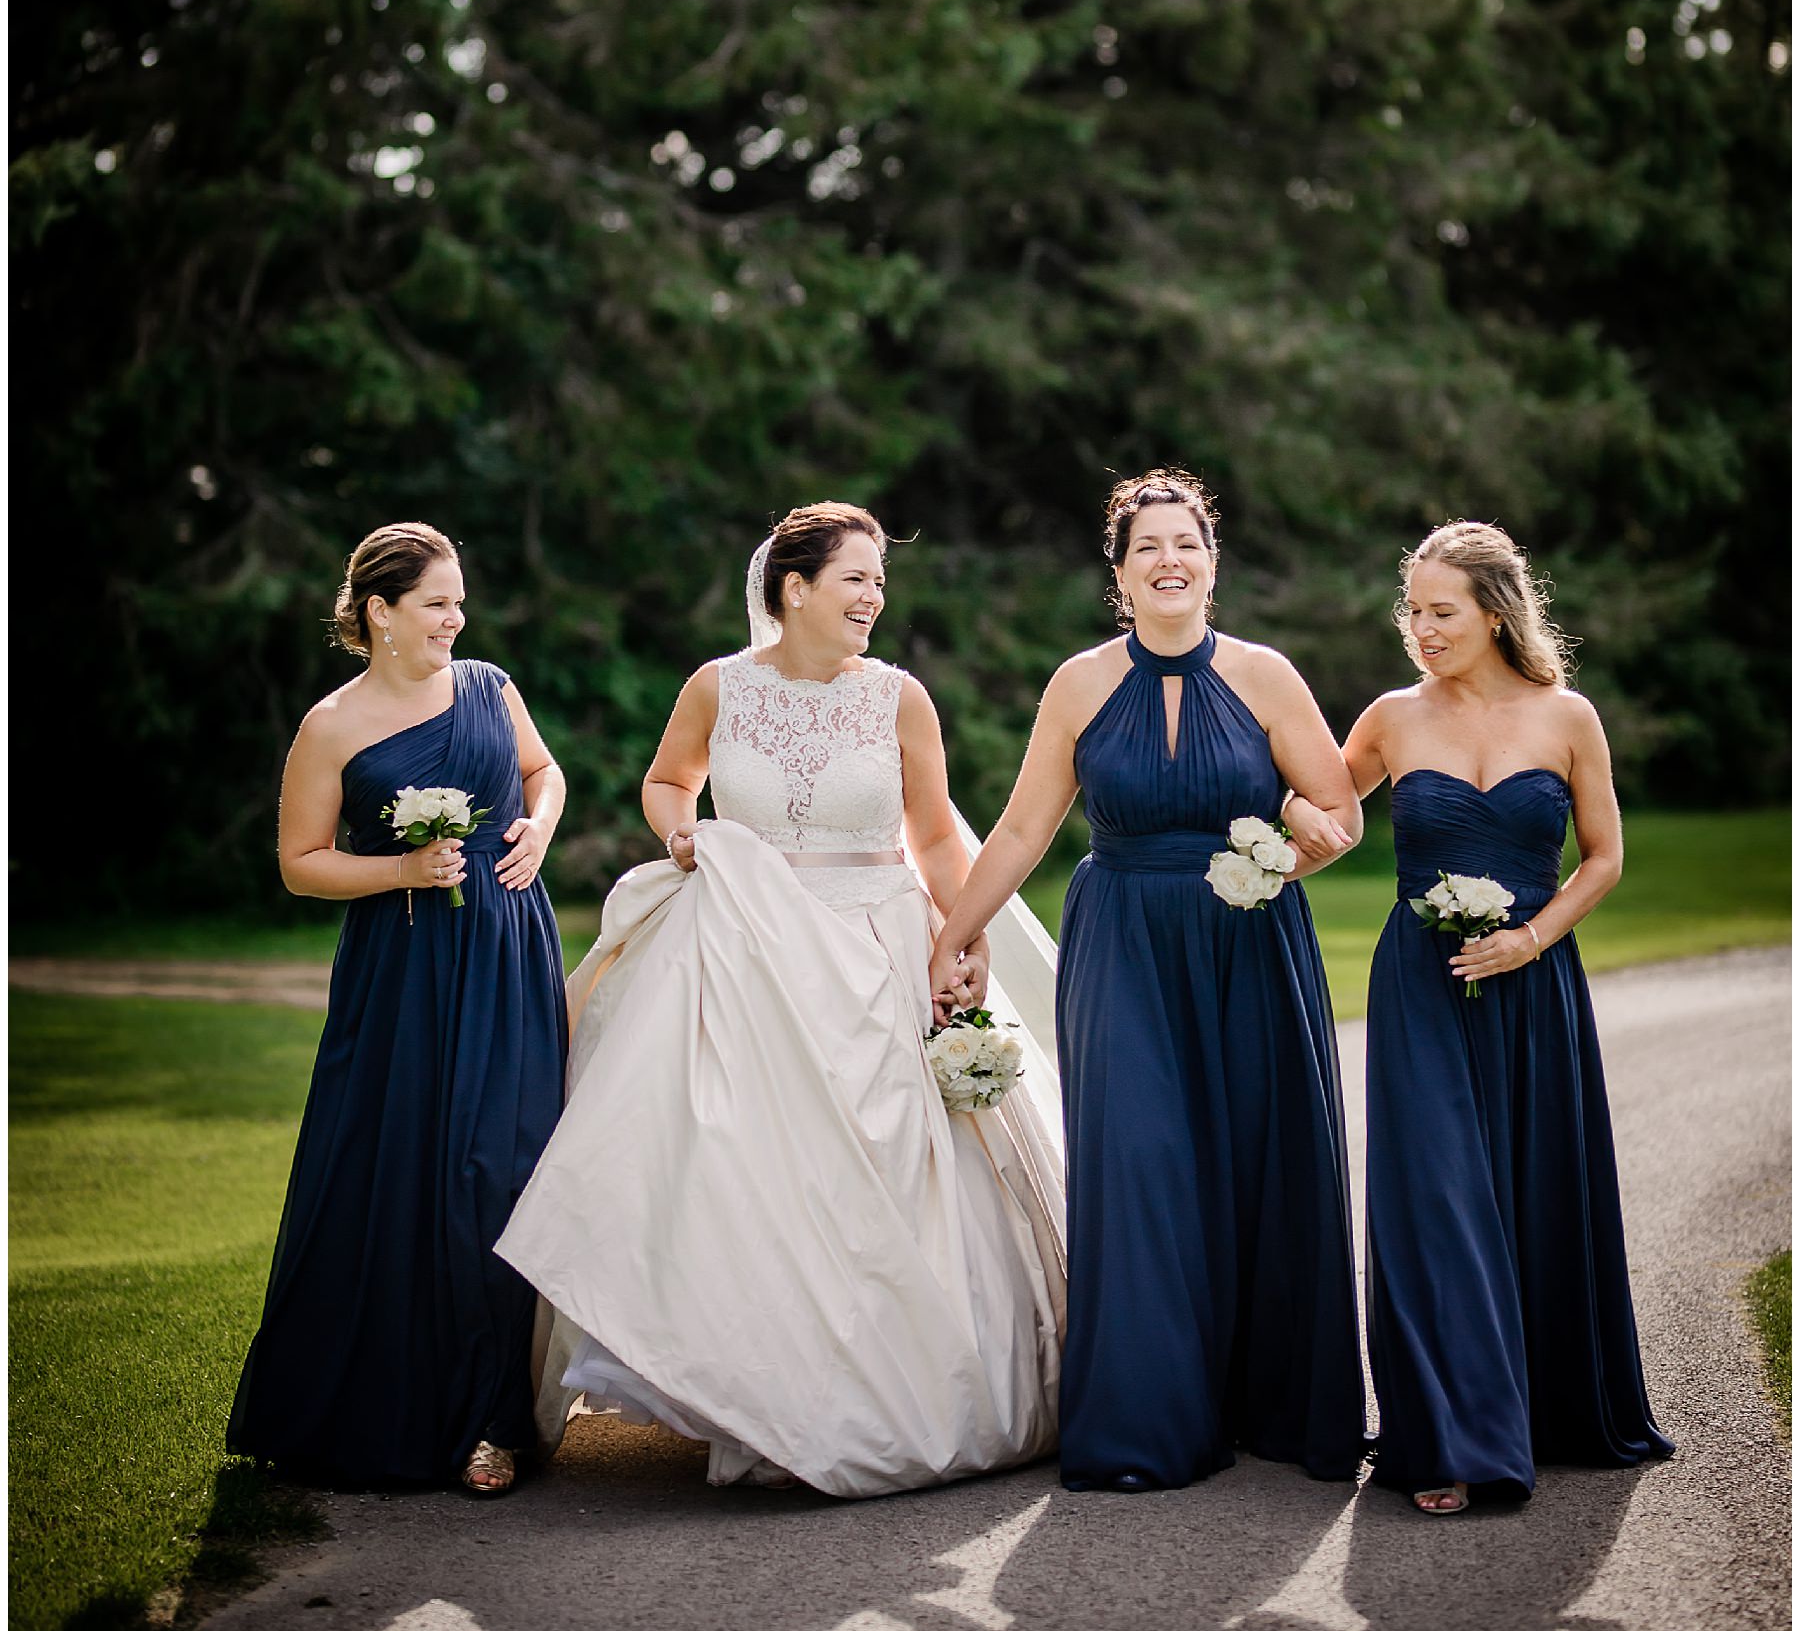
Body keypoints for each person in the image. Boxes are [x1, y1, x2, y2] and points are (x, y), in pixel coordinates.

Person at [496, 500, 1065, 1498]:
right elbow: (667, 780)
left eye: (879, 581)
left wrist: (959, 934)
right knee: (735, 1164)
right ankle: (750, 1392)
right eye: (856, 578)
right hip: (744, 948)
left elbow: (936, 835)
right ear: (793, 588)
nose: (873, 596)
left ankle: (876, 1394)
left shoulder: (899, 698)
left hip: (876, 946)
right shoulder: (718, 686)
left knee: (886, 1171)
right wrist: (681, 833)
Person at [928, 469, 1369, 1492]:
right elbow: (1024, 828)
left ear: (1213, 564)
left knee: (1258, 1156)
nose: (1169, 561)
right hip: (1121, 940)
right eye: (1148, 548)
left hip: (1249, 942)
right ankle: (1148, 1422)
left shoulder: (1267, 676)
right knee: (1139, 1158)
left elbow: (1339, 813)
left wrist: (1293, 851)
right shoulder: (1079, 684)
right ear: (1120, 575)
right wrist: (956, 931)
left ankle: (1271, 1404)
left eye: (1187, 544)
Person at [1286, 517, 1674, 1513]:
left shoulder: (1568, 717)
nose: (1421, 629)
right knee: (1436, 1198)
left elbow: (1604, 859)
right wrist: (1284, 821)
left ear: (1496, 613)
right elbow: (1321, 807)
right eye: (1412, 610)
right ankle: (1453, 1440)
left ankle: (1541, 1409)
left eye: (1441, 611)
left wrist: (1530, 939)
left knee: (1530, 1189)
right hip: (1419, 984)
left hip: (1533, 985)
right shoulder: (1391, 717)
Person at [229, 522, 568, 1497]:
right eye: (436, 603)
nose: (456, 619)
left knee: (501, 1167)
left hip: (506, 952)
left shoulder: (491, 687)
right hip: (401, 972)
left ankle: (496, 1420)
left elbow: (544, 773)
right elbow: (300, 863)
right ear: (379, 610)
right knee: (402, 1169)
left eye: (460, 602)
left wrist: (539, 829)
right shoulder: (330, 726)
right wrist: (401, 870)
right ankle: (394, 1406)